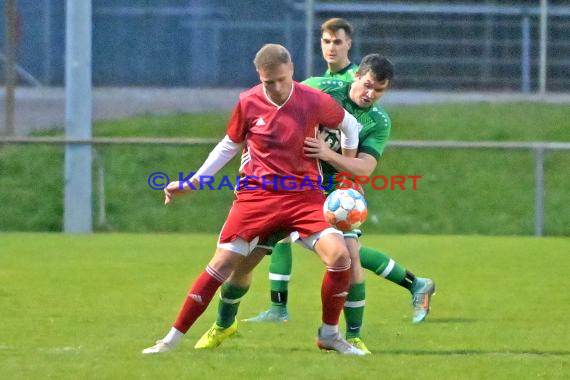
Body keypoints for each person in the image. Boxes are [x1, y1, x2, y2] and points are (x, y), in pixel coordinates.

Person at [142, 44, 366, 356]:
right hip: (256, 197)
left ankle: (329, 334)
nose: (275, 88)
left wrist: (345, 176)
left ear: (291, 72)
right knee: (222, 266)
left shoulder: (314, 100)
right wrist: (193, 182)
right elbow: (228, 145)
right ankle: (170, 341)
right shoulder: (248, 102)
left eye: (281, 80)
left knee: (340, 257)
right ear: (259, 77)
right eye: (267, 82)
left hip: (304, 197)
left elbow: (350, 126)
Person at [244, 40, 435, 348]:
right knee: (271, 240)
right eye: (368, 86)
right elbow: (280, 103)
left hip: (340, 190)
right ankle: (266, 311)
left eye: (380, 91)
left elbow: (363, 168)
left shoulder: (378, 121)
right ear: (357, 76)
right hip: (300, 182)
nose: (371, 95)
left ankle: (356, 335)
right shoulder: (322, 88)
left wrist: (325, 153)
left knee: (350, 259)